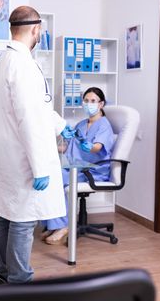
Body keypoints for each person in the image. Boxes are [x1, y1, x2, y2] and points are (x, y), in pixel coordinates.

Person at [0, 5, 74, 285]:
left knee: (7, 216)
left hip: (10, 155)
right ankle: (20, 282)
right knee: (23, 221)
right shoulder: (23, 64)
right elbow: (29, 118)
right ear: (36, 29)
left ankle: (1, 276)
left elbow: (38, 108)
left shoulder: (7, 59)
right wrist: (40, 167)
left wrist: (63, 126)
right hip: (25, 158)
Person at [41, 87, 115, 245]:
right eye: (86, 101)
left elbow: (97, 148)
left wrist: (89, 145)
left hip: (93, 170)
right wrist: (48, 146)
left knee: (55, 178)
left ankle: (63, 225)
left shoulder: (104, 125)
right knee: (49, 174)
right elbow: (68, 148)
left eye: (93, 101)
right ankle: (54, 224)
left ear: (101, 104)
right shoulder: (81, 124)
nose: (89, 104)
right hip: (76, 167)